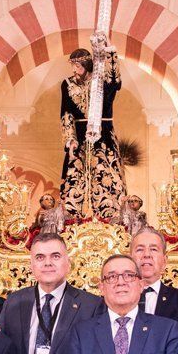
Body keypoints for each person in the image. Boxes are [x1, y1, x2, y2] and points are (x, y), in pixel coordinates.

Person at [59, 34, 126, 220]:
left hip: (103, 135)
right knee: (75, 178)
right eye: (72, 65)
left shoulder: (102, 82)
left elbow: (115, 81)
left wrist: (110, 51)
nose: (74, 69)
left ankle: (110, 218)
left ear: (87, 66)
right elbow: (66, 114)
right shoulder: (67, 84)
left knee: (107, 176)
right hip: (79, 137)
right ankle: (74, 219)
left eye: (78, 66)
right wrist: (69, 140)